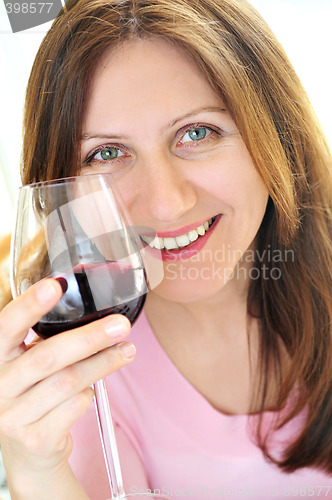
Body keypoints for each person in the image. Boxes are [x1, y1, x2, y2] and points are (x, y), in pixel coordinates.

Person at [0, 0, 331, 498]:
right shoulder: (79, 370)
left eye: (197, 133)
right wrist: (37, 470)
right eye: (107, 153)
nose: (166, 204)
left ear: (277, 135)